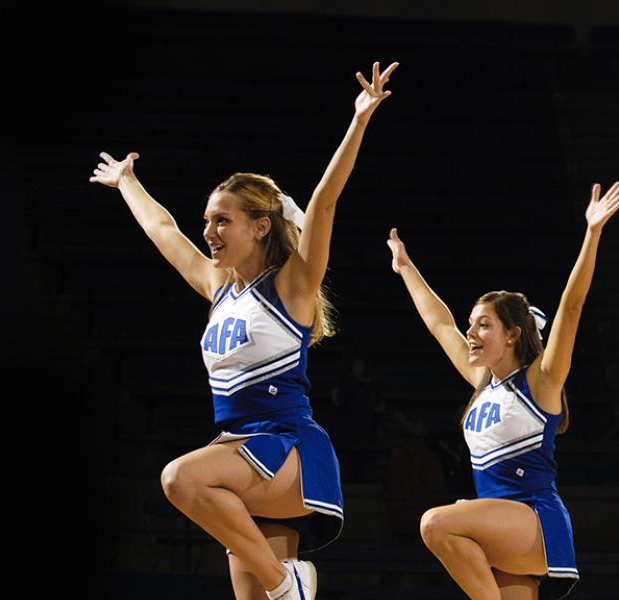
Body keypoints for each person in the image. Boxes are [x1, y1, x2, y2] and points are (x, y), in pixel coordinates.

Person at [89, 61, 399, 600]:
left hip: (285, 450)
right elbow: (165, 229)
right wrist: (128, 183)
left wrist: (359, 121)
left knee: (179, 479)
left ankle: (288, 583)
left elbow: (325, 201)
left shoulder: (292, 287)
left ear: (260, 226)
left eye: (221, 221)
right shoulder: (219, 288)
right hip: (238, 455)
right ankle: (285, 586)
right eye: (207, 220)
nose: (207, 232)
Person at [390, 182, 619, 599]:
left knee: (436, 523)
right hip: (497, 532)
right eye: (473, 324)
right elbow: (439, 323)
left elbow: (572, 307)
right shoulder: (481, 383)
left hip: (533, 521)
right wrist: (406, 268)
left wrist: (592, 234)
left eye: (484, 324)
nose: (471, 333)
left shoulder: (541, 381)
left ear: (513, 335)